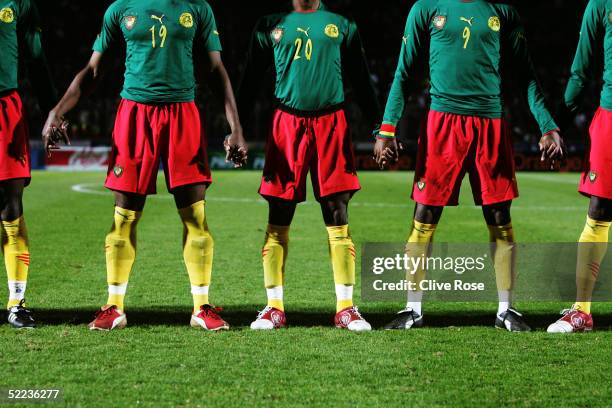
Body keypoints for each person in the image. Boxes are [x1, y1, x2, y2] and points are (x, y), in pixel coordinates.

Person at [43, 0, 247, 331]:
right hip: (135, 116)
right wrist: (58, 110)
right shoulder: (120, 8)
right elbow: (93, 70)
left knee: (195, 217)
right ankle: (114, 306)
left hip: (182, 114)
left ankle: (201, 307)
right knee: (123, 217)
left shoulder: (198, 8)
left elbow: (215, 70)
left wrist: (235, 126)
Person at [374, 0, 565, 331]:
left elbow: (526, 74)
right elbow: (404, 70)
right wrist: (387, 129)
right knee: (425, 213)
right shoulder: (426, 7)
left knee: (499, 215)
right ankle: (413, 308)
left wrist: (547, 125)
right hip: (442, 124)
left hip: (489, 122)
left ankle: (506, 309)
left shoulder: (503, 11)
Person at [238, 0, 381, 331]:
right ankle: (274, 307)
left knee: (337, 212)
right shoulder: (269, 24)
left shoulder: (341, 25)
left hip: (332, 123)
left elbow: (361, 80)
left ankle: (345, 308)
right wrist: (237, 130)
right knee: (279, 213)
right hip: (286, 124)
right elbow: (250, 80)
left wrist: (380, 130)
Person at [548, 0, 611, 333]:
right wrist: (556, 122)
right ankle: (582, 311)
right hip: (611, 117)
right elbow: (581, 67)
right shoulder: (600, 4)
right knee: (599, 212)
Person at [1, 0, 57, 328]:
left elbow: (36, 60)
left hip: (4, 107)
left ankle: (16, 302)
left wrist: (53, 110)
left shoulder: (20, 3)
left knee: (11, 207)